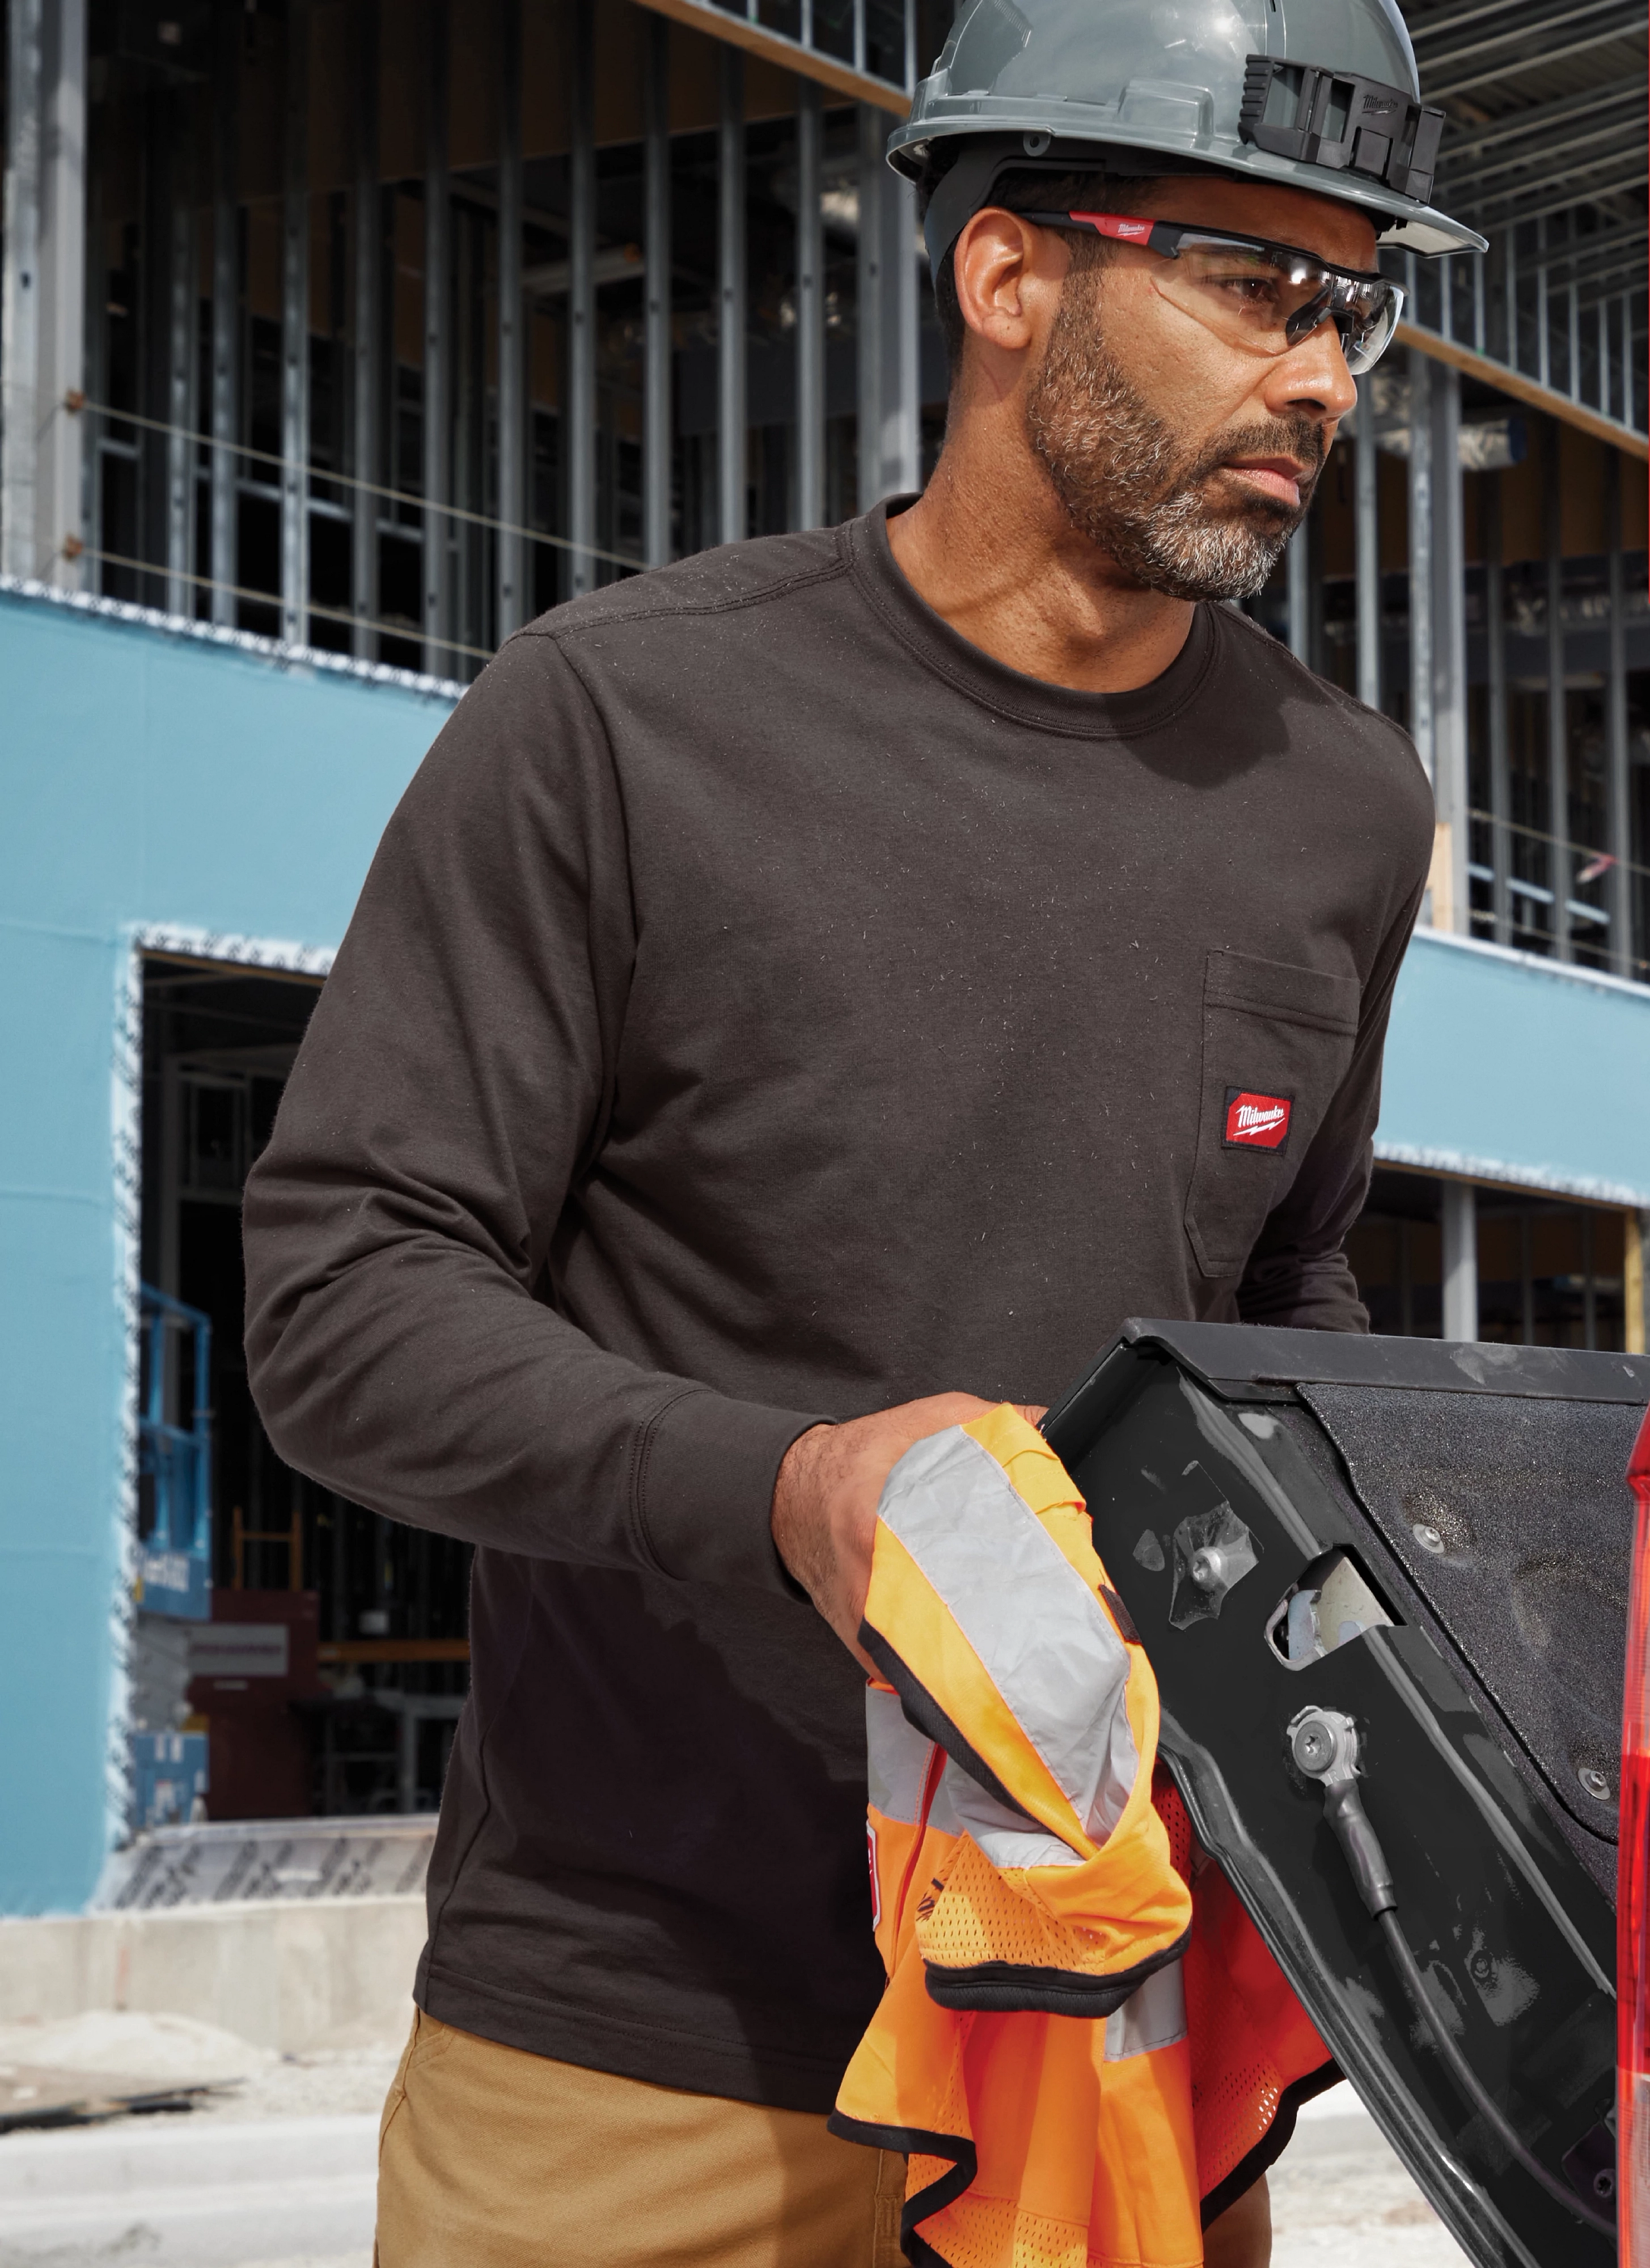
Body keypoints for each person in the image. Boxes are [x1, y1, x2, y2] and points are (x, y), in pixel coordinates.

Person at [242, 4, 1479, 2261]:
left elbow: (1287, 1296)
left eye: (1353, 311)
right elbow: (348, 1303)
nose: (1316, 377)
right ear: (1005, 280)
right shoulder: (626, 723)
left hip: (1112, 2027)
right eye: (1248, 284)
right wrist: (790, 1486)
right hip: (642, 2053)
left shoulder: (1336, 807)